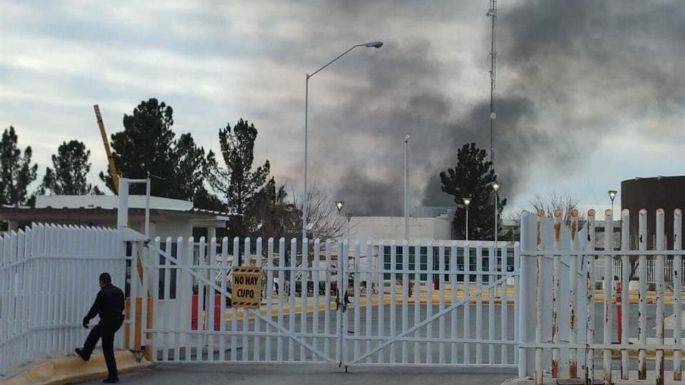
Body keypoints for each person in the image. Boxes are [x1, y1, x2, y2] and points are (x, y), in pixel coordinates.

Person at [75, 272, 125, 384]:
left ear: (101, 281)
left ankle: (113, 375)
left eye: (99, 282)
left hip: (107, 322)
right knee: (96, 331)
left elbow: (95, 308)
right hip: (117, 321)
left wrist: (86, 318)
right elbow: (122, 307)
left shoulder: (103, 293)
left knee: (107, 348)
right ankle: (86, 353)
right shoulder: (119, 291)